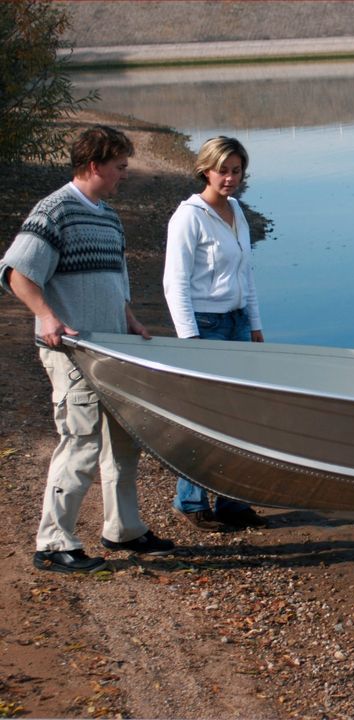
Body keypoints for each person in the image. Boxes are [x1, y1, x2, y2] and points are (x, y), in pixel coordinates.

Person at [0, 125, 175, 573]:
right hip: (73, 352)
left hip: (114, 350)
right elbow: (17, 272)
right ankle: (53, 542)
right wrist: (45, 315)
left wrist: (129, 317)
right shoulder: (55, 211)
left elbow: (113, 279)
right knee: (79, 442)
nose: (124, 175)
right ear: (94, 165)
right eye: (119, 167)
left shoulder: (108, 215)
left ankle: (124, 529)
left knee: (123, 442)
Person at [163, 136, 267, 532]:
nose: (230, 178)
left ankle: (233, 502)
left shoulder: (237, 211)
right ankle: (190, 500)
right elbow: (175, 283)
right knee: (205, 416)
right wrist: (190, 341)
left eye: (236, 171)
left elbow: (246, 273)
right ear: (205, 170)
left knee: (239, 416)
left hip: (238, 322)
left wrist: (255, 324)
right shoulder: (188, 216)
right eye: (223, 170)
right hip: (205, 326)